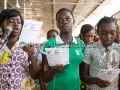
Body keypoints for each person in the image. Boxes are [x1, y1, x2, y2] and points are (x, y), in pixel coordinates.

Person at [41, 8, 84, 90]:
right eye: (60, 20)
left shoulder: (81, 44)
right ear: (57, 24)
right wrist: (53, 71)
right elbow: (45, 78)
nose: (64, 22)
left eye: (68, 19)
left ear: (73, 21)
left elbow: (81, 69)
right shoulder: (49, 44)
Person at [81, 16, 120, 90]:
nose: (108, 37)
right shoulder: (90, 48)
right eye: (104, 33)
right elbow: (83, 76)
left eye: (112, 33)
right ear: (98, 32)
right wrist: (96, 81)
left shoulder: (118, 49)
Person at [0, 9, 31, 89]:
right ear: (2, 24)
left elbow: (35, 74)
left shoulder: (28, 45)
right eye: (11, 21)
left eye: (19, 22)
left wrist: (32, 56)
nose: (16, 24)